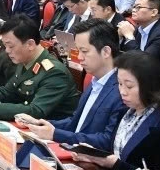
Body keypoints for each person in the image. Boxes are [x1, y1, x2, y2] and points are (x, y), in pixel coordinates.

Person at [69, 50, 160, 170]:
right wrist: (94, 156)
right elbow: (115, 154)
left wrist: (113, 164)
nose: (122, 91)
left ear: (149, 85)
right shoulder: (125, 111)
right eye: (120, 84)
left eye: (129, 86)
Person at [18, 19, 126, 150]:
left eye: (84, 51)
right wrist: (41, 124)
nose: (79, 57)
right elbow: (75, 122)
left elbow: (107, 141)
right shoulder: (94, 82)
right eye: (78, 51)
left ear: (106, 52)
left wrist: (56, 134)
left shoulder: (122, 90)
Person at [0, 14, 79, 120]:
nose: (6, 51)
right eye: (5, 46)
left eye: (10, 46)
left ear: (30, 44)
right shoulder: (25, 60)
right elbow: (7, 92)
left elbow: (36, 110)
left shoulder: (54, 72)